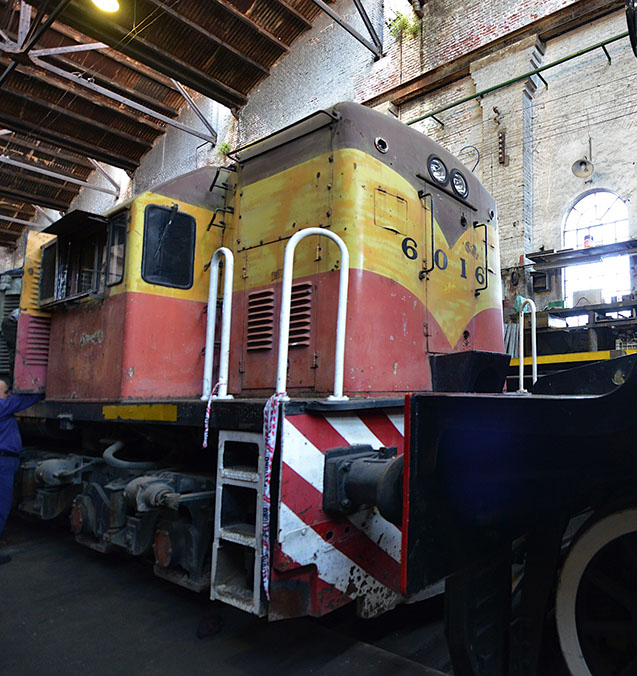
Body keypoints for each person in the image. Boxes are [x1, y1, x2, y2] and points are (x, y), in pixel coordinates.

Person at [0, 378, 42, 564]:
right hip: (3, 462)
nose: (9, 395)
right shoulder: (2, 407)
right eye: (6, 392)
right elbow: (24, 400)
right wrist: (42, 390)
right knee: (1, 507)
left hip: (5, 460)